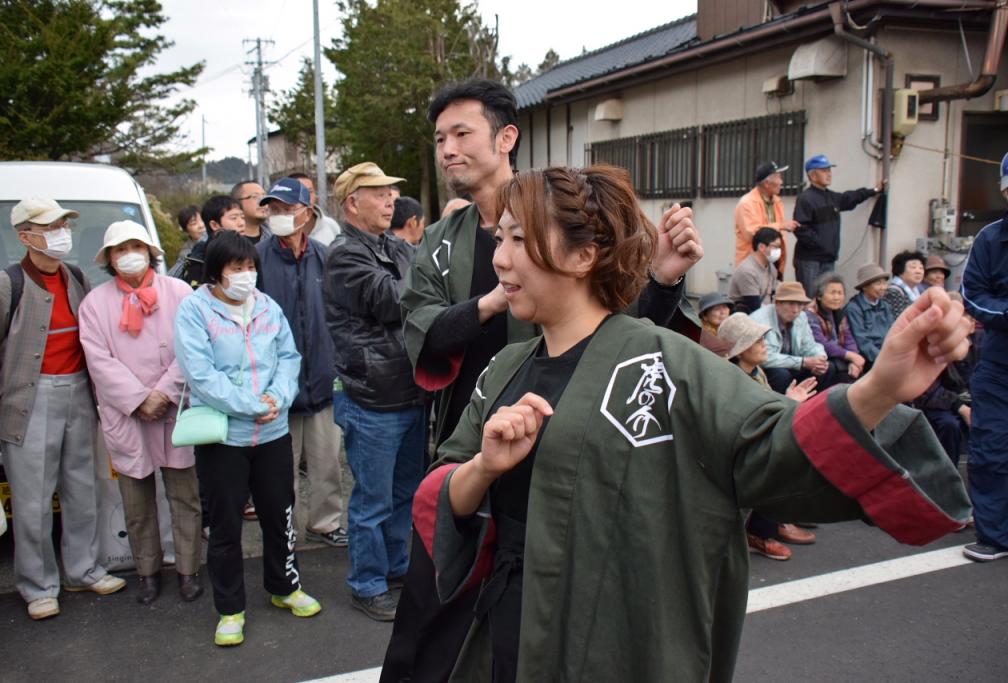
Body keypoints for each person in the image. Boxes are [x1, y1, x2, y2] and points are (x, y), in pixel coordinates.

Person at [413, 165, 970, 681]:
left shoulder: (666, 363)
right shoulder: (506, 366)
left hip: (618, 641)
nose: (499, 259)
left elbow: (773, 447)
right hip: (501, 630)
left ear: (584, 256)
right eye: (500, 238)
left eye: (517, 239)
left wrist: (880, 388)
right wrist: (485, 466)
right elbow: (442, 490)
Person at [386, 79, 700, 682]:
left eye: (461, 134)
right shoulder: (440, 243)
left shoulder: (562, 212)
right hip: (471, 449)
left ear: (506, 138)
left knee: (547, 629)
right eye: (440, 139)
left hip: (559, 458)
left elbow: (610, 333)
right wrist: (491, 303)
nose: (447, 149)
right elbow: (418, 325)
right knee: (437, 627)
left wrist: (659, 279)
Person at [174, 231, 320, 646]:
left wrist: (278, 396)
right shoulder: (194, 311)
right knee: (225, 526)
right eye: (236, 269)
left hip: (272, 431)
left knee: (280, 513)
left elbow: (289, 358)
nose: (246, 276)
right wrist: (253, 404)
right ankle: (230, 609)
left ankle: (284, 586)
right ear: (216, 273)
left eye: (250, 267)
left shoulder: (268, 307)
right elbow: (201, 377)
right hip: (225, 438)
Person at [0, 198, 126, 620]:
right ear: (25, 236)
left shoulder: (76, 276)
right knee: (32, 499)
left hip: (79, 392)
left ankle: (83, 569)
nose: (61, 231)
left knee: (82, 489)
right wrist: (4, 393)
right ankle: (37, 585)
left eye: (64, 223)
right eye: (51, 225)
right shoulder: (1, 286)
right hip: (27, 399)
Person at [78, 220, 203, 605]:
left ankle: (188, 569)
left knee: (185, 497)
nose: (129, 255)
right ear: (110, 260)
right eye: (120, 249)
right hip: (127, 414)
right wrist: (139, 398)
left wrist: (164, 392)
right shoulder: (95, 303)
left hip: (175, 409)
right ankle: (147, 572)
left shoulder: (179, 292)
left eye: (136, 246)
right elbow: (98, 361)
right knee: (136, 503)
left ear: (150, 251)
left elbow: (193, 348)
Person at [323, 162, 427, 621]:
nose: (389, 201)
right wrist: (427, 287)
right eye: (379, 193)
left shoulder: (394, 246)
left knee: (404, 492)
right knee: (372, 499)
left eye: (391, 192)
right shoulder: (345, 254)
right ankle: (367, 583)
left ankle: (396, 568)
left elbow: (424, 293)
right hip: (371, 396)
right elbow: (394, 301)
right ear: (352, 203)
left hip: (408, 390)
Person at [255, 178, 347, 548]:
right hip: (276, 384)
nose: (278, 216)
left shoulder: (325, 256)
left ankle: (325, 523)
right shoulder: (257, 259)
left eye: (286, 208)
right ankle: (282, 530)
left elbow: (341, 314)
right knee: (280, 468)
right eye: (272, 209)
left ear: (308, 213)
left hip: (324, 377)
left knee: (327, 462)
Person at [718, 312, 818, 561]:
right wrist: (788, 402)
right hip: (738, 455)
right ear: (740, 350)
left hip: (752, 446)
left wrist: (786, 399)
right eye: (756, 340)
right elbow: (750, 422)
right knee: (779, 462)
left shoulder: (756, 372)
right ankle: (762, 532)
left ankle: (780, 517)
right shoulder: (731, 379)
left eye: (763, 338)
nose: (764, 344)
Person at [959, 150, 1008, 562]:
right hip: (999, 361)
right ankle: (994, 535)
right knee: (991, 445)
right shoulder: (990, 238)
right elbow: (973, 295)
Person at [792, 154, 884, 293]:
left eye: (829, 170)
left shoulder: (832, 197)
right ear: (813, 175)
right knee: (810, 299)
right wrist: (820, 245)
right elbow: (800, 229)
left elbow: (850, 197)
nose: (829, 174)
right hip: (810, 261)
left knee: (826, 298)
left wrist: (874, 191)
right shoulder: (806, 198)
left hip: (828, 260)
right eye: (824, 171)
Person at [750, 281, 834, 392]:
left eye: (800, 304)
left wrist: (819, 358)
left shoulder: (801, 316)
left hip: (793, 365)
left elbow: (809, 344)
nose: (795, 310)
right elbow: (765, 358)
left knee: (828, 368)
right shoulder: (760, 320)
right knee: (781, 374)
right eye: (791, 303)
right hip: (764, 370)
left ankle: (810, 406)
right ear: (778, 303)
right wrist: (802, 362)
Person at [734, 161, 798, 275]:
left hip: (774, 263)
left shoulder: (777, 201)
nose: (781, 182)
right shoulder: (746, 203)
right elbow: (753, 234)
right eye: (779, 178)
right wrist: (781, 226)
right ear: (767, 183)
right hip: (752, 264)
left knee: (772, 292)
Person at [807, 272, 866, 382]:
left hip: (838, 359)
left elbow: (849, 340)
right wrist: (850, 356)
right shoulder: (810, 314)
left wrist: (854, 362)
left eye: (840, 293)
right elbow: (821, 343)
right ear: (819, 296)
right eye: (832, 293)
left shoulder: (839, 313)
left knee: (857, 374)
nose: (837, 297)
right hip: (821, 360)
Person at [178, 195, 246, 289]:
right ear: (214, 225)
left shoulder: (249, 251)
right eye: (234, 218)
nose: (241, 223)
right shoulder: (199, 260)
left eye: (242, 217)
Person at [846, 263, 895, 366]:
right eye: (878, 284)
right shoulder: (854, 308)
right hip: (870, 358)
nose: (883, 287)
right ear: (864, 287)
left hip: (888, 354)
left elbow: (893, 332)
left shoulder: (885, 306)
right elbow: (862, 341)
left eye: (884, 283)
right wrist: (882, 358)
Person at [729, 226, 780, 313]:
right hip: (745, 316)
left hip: (763, 314)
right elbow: (754, 306)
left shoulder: (771, 268)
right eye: (776, 246)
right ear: (761, 247)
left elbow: (774, 295)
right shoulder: (747, 270)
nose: (778, 251)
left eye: (779, 247)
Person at [288, 172, 342, 246]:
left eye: (310, 191)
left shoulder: (330, 225)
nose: (307, 196)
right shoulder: (280, 229)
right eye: (300, 192)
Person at [884, 250, 926, 318]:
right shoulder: (893, 292)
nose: (919, 271)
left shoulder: (918, 291)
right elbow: (898, 319)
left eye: (921, 268)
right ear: (900, 271)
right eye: (913, 267)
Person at [167, 205, 206, 278]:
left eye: (203, 220)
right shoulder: (187, 253)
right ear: (186, 231)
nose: (201, 225)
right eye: (194, 223)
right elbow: (171, 277)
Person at [230, 180, 272, 245]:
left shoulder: (274, 236)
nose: (262, 201)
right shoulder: (226, 242)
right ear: (236, 203)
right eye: (255, 196)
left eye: (264, 196)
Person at [697, 292, 734, 357]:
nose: (723, 312)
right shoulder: (704, 336)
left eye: (725, 307)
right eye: (717, 309)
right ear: (705, 316)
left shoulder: (732, 329)